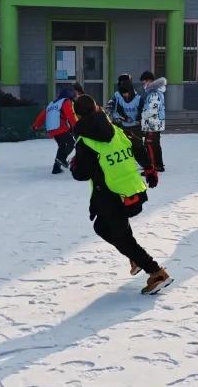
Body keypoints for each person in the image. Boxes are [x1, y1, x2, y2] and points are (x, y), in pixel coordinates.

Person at [71, 95, 172, 295]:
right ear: (97, 108)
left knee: (123, 237)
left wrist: (75, 164)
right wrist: (150, 169)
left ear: (77, 116)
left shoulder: (84, 142)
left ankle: (157, 272)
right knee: (102, 227)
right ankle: (135, 258)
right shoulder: (117, 130)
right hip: (131, 191)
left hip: (111, 197)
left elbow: (81, 174)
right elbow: (138, 147)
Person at [32, 86, 78, 175]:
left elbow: (42, 115)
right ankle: (61, 159)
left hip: (51, 129)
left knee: (62, 146)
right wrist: (77, 125)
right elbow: (70, 115)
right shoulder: (66, 102)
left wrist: (36, 125)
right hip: (60, 127)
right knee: (71, 143)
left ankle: (56, 168)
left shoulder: (51, 104)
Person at [138, 70, 167, 172]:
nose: (143, 85)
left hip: (153, 124)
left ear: (149, 80)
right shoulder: (155, 92)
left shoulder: (154, 93)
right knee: (155, 144)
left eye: (144, 82)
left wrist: (143, 116)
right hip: (154, 123)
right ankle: (158, 165)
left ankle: (152, 167)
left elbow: (152, 110)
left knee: (150, 144)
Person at [106, 74, 142, 139]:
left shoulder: (136, 94)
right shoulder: (117, 95)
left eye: (128, 82)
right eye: (123, 82)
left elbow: (140, 108)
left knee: (136, 142)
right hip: (120, 123)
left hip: (134, 124)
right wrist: (111, 113)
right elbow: (110, 106)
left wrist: (139, 119)